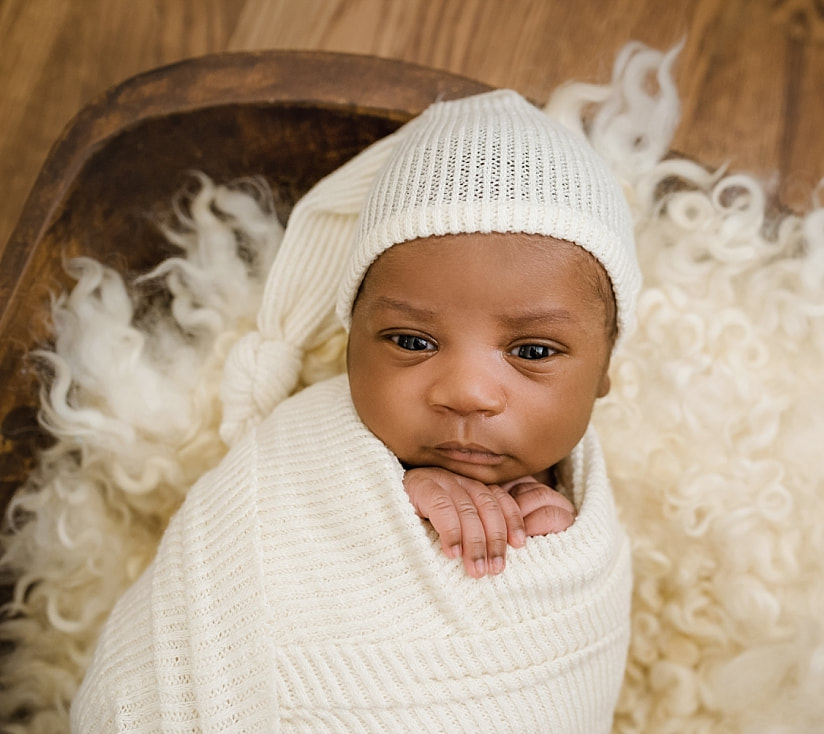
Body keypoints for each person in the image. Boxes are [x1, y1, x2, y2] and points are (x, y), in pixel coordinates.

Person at [71, 89, 638, 733]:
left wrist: (545, 542)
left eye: (532, 350)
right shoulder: (300, 457)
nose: (466, 392)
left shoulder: (587, 531)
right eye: (412, 342)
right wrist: (399, 493)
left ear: (603, 373)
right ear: (349, 342)